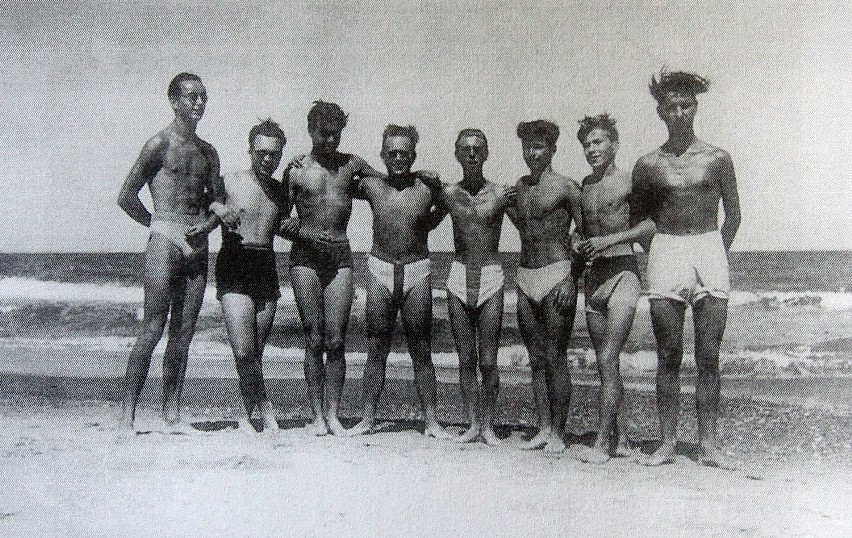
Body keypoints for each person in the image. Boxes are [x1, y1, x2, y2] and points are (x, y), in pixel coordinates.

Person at [631, 71, 741, 468]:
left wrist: (714, 253)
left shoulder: (717, 158)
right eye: (670, 106)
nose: (678, 113)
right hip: (666, 250)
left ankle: (708, 445)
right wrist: (661, 253)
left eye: (686, 105)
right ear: (660, 111)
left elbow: (734, 216)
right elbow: (641, 221)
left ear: (696, 106)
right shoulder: (647, 165)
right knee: (668, 354)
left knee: (708, 355)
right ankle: (667, 443)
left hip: (708, 247)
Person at [117, 73, 228, 431]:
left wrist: (211, 224)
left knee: (184, 332)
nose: (198, 103)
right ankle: (127, 417)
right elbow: (126, 196)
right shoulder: (158, 144)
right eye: (191, 96)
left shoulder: (209, 152)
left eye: (203, 97)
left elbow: (219, 201)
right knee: (152, 328)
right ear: (174, 101)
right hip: (165, 235)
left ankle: (171, 413)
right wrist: (157, 224)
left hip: (197, 240)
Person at [280, 101, 384, 436]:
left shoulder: (352, 163)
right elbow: (278, 220)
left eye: (335, 135)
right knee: (313, 338)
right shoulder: (296, 170)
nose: (330, 141)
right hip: (305, 259)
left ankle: (334, 414)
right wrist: (305, 230)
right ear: (311, 130)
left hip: (340, 255)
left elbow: (388, 183)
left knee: (337, 340)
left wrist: (423, 178)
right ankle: (316, 417)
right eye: (323, 134)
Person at [344, 125, 452, 439]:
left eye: (405, 152)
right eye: (392, 152)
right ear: (382, 155)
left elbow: (447, 201)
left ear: (413, 155)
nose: (398, 158)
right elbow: (336, 181)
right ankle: (367, 418)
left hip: (417, 269)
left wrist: (430, 216)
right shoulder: (371, 185)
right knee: (376, 347)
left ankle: (432, 420)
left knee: (422, 348)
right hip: (380, 267)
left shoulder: (427, 187)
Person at [570, 114, 655, 464]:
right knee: (609, 365)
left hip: (623, 274)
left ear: (615, 144)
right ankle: (622, 439)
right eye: (587, 145)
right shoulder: (584, 187)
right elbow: (578, 230)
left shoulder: (629, 182)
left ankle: (603, 442)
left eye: (598, 142)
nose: (592, 150)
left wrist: (611, 239)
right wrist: (576, 243)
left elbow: (650, 226)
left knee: (607, 356)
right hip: (594, 281)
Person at [423, 129, 515, 446]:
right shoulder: (448, 193)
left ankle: (488, 425)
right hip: (459, 273)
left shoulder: (502, 194)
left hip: (490, 273)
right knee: (465, 359)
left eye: (478, 149)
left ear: (487, 154)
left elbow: (532, 226)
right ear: (457, 155)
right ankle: (472, 424)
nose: (472, 154)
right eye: (466, 149)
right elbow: (422, 220)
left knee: (488, 360)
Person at [506, 120, 583, 453]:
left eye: (538, 147)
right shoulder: (518, 189)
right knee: (535, 358)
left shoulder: (567, 187)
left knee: (556, 356)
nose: (532, 153)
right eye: (527, 147)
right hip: (525, 275)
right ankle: (544, 427)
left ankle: (560, 433)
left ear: (552, 149)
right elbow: (514, 220)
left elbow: (585, 234)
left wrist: (572, 278)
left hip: (557, 274)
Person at [215, 119, 289, 435]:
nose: (267, 159)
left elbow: (288, 223)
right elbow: (203, 195)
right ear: (250, 151)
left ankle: (248, 414)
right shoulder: (229, 181)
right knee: (243, 351)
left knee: (256, 351)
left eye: (274, 154)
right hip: (234, 261)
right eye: (261, 152)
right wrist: (218, 208)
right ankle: (266, 409)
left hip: (265, 266)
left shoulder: (281, 191)